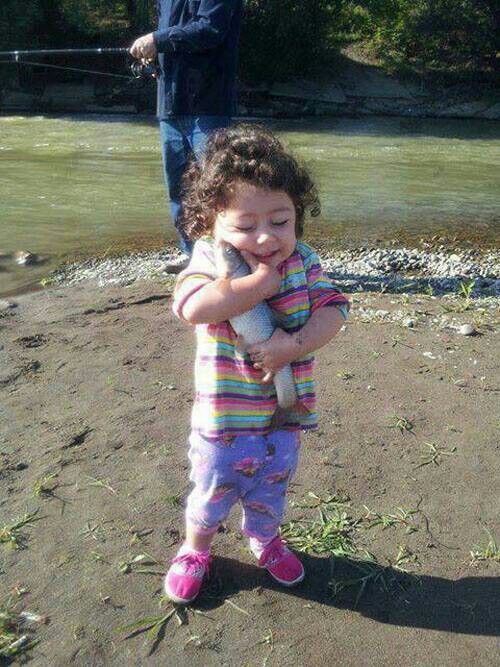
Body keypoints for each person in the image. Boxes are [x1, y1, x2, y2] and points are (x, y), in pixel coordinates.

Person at [164, 124, 350, 604]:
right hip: (223, 419)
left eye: (280, 221)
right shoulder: (210, 259)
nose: (265, 238)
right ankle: (194, 549)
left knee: (271, 489)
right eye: (245, 226)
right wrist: (254, 287)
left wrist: (294, 346)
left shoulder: (304, 262)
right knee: (210, 491)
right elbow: (191, 308)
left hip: (282, 414)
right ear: (211, 224)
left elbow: (336, 309)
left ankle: (265, 540)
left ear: (298, 217)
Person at [129, 0, 244, 269]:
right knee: (178, 187)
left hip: (208, 103)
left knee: (218, 184)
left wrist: (157, 39)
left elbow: (210, 30)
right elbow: (170, 37)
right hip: (169, 106)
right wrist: (153, 51)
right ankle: (192, 254)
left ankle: (230, 255)